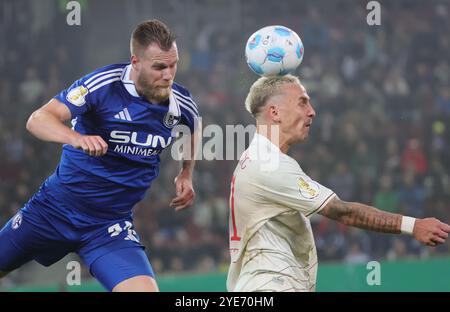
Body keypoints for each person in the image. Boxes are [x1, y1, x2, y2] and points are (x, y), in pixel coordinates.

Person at [0, 19, 200, 292]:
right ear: (135, 62)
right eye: (159, 67)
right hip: (52, 211)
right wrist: (77, 138)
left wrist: (186, 172)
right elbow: (38, 120)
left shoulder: (181, 104)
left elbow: (193, 129)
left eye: (173, 65)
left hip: (109, 226)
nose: (168, 75)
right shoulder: (103, 85)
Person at [227, 74, 450, 292]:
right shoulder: (269, 164)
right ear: (274, 112)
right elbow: (341, 212)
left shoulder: (257, 157)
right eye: (302, 103)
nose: (311, 112)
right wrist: (413, 226)